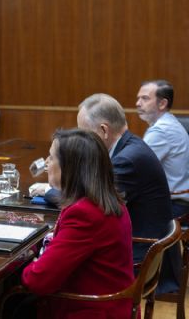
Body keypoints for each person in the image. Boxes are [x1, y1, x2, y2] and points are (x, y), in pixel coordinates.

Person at [41, 93, 178, 293]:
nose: (80, 140)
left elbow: (89, 203)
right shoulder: (129, 147)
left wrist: (50, 189)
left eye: (83, 133)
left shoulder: (127, 160)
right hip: (135, 244)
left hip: (137, 254)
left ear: (103, 130)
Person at [20, 129, 135, 318]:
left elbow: (37, 281)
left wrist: (33, 265)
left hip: (91, 310)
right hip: (115, 305)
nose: (47, 163)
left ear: (70, 167)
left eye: (51, 157)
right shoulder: (107, 199)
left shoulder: (85, 213)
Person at [136, 80, 189, 218]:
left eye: (145, 98)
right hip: (175, 202)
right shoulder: (167, 123)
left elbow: (135, 167)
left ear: (162, 103)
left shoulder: (162, 131)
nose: (138, 103)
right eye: (138, 98)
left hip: (173, 206)